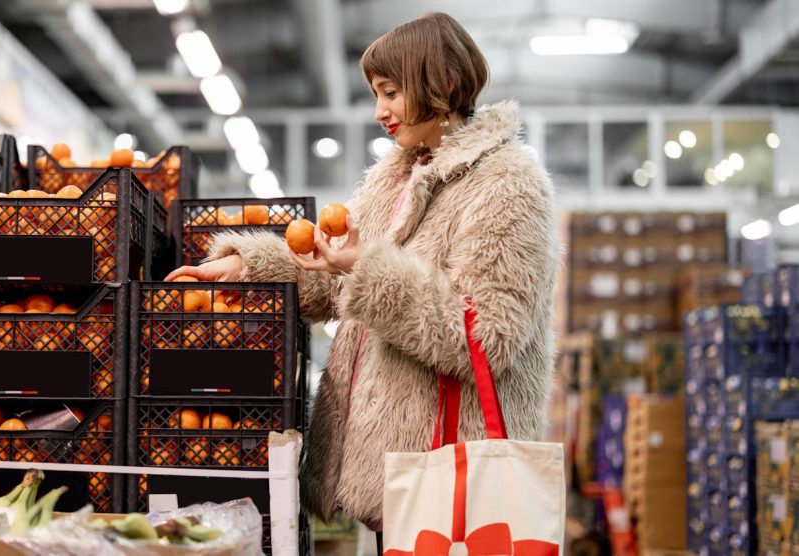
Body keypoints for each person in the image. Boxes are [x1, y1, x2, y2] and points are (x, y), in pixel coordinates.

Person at [166, 11, 560, 546]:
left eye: (391, 93)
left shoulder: (509, 185)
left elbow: (484, 335)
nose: (379, 112)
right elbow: (334, 281)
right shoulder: (394, 179)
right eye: (376, 93)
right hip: (390, 474)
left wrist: (369, 271)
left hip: (450, 474)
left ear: (441, 84)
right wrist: (248, 267)